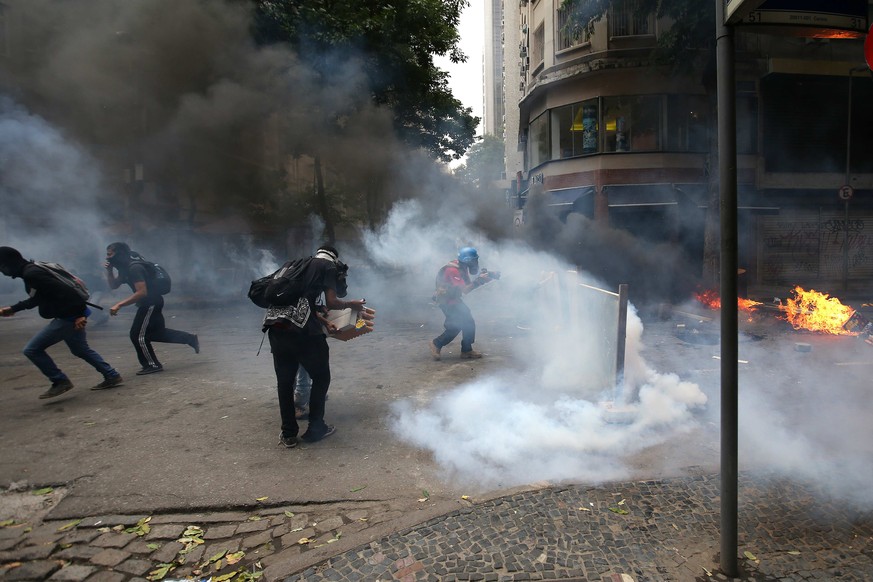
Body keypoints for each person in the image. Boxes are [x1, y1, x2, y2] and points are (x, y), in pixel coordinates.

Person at [263, 244, 364, 448]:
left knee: (284, 381)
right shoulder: (327, 267)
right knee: (321, 377)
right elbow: (333, 301)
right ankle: (316, 428)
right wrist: (351, 305)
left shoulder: (294, 265)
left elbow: (301, 303)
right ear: (334, 258)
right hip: (303, 333)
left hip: (276, 327)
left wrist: (325, 322)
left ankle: (289, 434)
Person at [0, 246, 123, 399]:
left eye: (1, 267)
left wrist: (80, 314)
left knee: (32, 349)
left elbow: (66, 291)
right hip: (71, 315)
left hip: (68, 318)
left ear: (7, 264)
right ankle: (111, 375)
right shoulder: (33, 269)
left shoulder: (32, 274)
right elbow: (39, 298)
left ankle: (60, 381)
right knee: (80, 349)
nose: (1, 272)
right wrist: (13, 309)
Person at [104, 242, 199, 375]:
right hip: (150, 302)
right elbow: (114, 285)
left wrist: (119, 305)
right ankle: (189, 339)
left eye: (110, 254)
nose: (107, 257)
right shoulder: (124, 268)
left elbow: (142, 292)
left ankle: (152, 365)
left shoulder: (134, 268)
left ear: (119, 253)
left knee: (137, 335)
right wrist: (109, 271)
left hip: (150, 303)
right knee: (157, 333)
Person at [429, 246, 498, 360]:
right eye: (474, 260)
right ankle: (436, 344)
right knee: (456, 326)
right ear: (468, 260)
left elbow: (467, 285)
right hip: (447, 301)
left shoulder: (462, 267)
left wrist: (488, 276)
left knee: (468, 322)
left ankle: (467, 350)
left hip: (454, 299)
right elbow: (464, 290)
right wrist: (480, 281)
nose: (476, 262)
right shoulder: (453, 270)